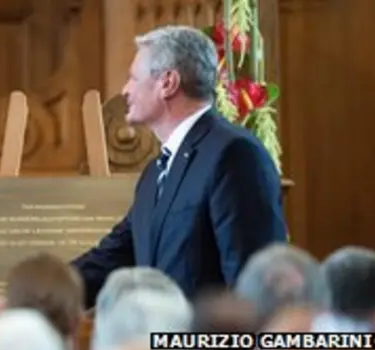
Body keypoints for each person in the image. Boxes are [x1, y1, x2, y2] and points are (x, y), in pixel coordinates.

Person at [70, 25, 287, 307]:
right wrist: (29, 302)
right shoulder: (154, 172)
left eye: (133, 79)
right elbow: (113, 257)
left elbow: (255, 285)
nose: (125, 90)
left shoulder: (234, 154)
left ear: (168, 83)